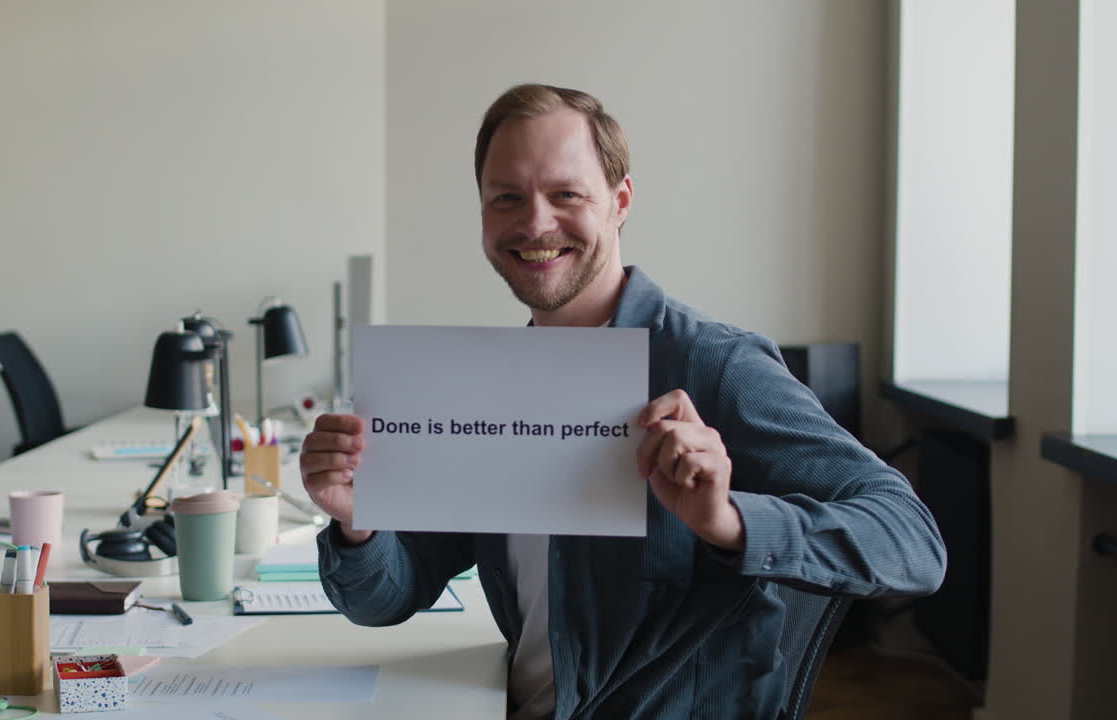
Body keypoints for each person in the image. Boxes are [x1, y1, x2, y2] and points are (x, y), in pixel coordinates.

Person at [300, 83, 946, 719]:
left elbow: (913, 542)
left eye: (565, 194)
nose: (534, 222)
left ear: (620, 201)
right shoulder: (482, 388)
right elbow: (388, 594)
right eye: (506, 198)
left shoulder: (715, 366)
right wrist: (359, 522)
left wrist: (730, 521)